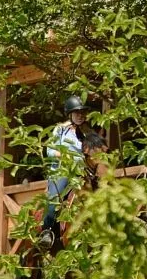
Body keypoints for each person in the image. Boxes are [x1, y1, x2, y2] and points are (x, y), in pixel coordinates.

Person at [40, 95, 101, 248]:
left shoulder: (89, 131)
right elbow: (50, 151)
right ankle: (47, 231)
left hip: (83, 171)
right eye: (77, 113)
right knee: (56, 196)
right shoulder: (60, 129)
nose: (81, 116)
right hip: (63, 170)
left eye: (83, 112)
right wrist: (66, 155)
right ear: (70, 114)